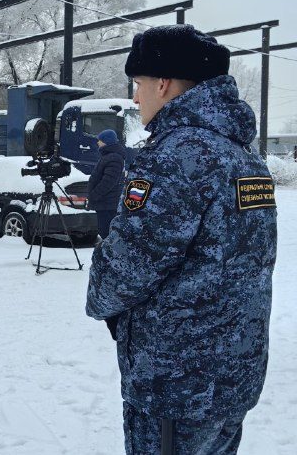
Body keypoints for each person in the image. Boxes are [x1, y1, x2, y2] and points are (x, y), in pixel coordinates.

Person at [85, 25, 277, 455]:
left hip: (176, 384)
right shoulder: (244, 155)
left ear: (163, 83)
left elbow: (127, 267)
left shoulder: (176, 155)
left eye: (138, 84)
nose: (136, 99)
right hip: (234, 374)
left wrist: (99, 299)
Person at [87, 129, 125, 239]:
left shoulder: (114, 158)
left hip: (107, 203)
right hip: (105, 202)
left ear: (106, 141)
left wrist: (94, 195)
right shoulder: (109, 156)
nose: (98, 142)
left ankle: (110, 250)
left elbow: (108, 182)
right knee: (105, 232)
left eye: (100, 140)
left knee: (106, 233)